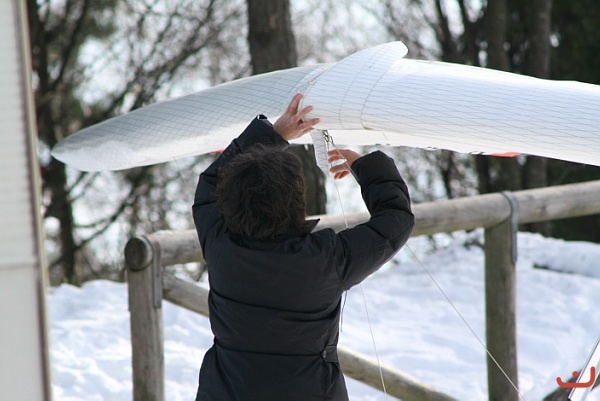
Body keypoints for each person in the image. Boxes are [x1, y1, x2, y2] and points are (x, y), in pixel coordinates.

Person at [192, 93, 415, 401]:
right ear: (296, 201)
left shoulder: (220, 244)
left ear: (231, 198)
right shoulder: (325, 258)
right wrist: (363, 165)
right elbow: (395, 220)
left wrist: (272, 135)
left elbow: (208, 185)